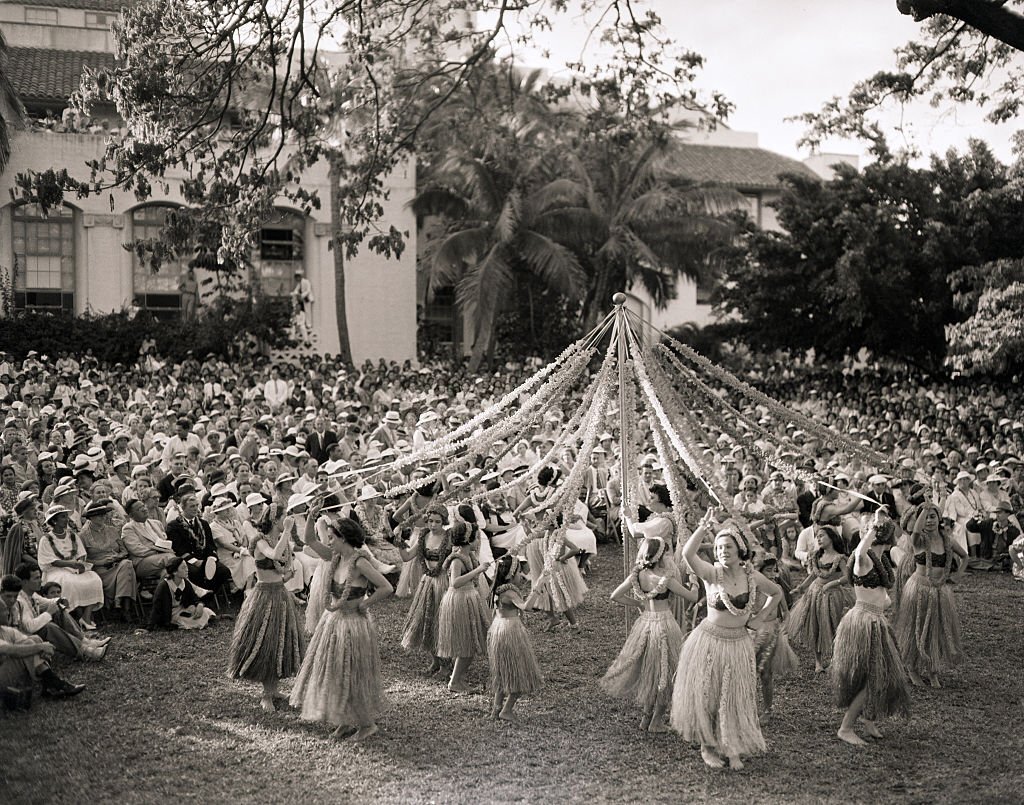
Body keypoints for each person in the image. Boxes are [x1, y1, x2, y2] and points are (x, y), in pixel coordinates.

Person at [670, 512, 780, 770]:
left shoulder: (750, 576)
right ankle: (707, 747)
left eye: (727, 546)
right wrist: (702, 527)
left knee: (732, 697)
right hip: (710, 641)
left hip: (739, 642)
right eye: (718, 547)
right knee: (709, 694)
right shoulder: (712, 574)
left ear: (740, 549)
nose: (722, 551)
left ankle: (730, 747)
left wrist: (760, 617)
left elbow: (775, 593)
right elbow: (688, 555)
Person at [289, 514, 393, 741]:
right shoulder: (335, 556)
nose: (328, 541)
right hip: (333, 621)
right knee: (335, 671)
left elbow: (386, 587)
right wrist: (310, 516)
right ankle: (345, 721)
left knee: (352, 672)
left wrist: (364, 604)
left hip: (352, 624)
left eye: (332, 537)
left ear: (344, 538)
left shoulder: (360, 562)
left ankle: (367, 725)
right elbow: (309, 541)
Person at [601, 536, 697, 733]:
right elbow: (692, 597)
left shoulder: (638, 575)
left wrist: (638, 603)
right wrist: (694, 582)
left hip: (645, 623)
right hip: (664, 625)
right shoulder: (665, 579)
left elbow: (615, 596)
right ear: (661, 556)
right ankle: (656, 721)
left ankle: (646, 719)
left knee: (651, 671)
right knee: (666, 672)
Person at [832, 512, 911, 746]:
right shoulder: (862, 559)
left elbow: (883, 596)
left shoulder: (882, 559)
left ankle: (868, 718)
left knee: (879, 674)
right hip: (863, 621)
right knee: (874, 676)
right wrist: (875, 524)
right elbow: (860, 550)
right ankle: (846, 727)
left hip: (876, 620)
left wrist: (883, 601)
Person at [227, 514, 306, 711]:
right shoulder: (260, 541)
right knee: (265, 642)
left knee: (280, 641)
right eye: (283, 517)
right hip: (264, 596)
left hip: (280, 593)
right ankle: (266, 695)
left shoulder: (278, 540)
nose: (287, 519)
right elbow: (274, 555)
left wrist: (288, 575)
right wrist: (287, 531)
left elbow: (282, 568)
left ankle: (274, 690)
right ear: (274, 520)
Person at [892, 502, 966, 687]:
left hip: (940, 591)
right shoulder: (918, 540)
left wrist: (957, 575)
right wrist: (924, 509)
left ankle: (933, 671)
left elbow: (965, 557)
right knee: (914, 629)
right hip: (918, 589)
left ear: (939, 518)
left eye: (933, 516)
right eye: (925, 518)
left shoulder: (947, 540)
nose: (929, 521)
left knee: (936, 631)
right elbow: (915, 531)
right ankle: (912, 668)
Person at [3, 563, 109, 661]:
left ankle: (85, 641)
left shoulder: (31, 594)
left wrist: (59, 600)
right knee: (49, 627)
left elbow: (46, 602)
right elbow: (28, 627)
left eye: (40, 577)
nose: (40, 581)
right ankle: (86, 652)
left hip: (32, 632)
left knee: (58, 609)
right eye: (36, 578)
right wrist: (48, 613)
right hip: (24, 638)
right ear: (25, 582)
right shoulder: (19, 599)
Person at [436, 521, 492, 693]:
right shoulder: (457, 558)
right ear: (468, 539)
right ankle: (454, 682)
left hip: (469, 596)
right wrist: (479, 570)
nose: (478, 542)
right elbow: (455, 582)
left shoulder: (468, 556)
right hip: (460, 599)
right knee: (467, 642)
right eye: (476, 538)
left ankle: (458, 679)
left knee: (472, 642)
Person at [787, 524, 852, 673]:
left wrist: (833, 583)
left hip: (832, 594)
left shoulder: (839, 558)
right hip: (815, 592)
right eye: (817, 537)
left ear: (832, 537)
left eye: (822, 536)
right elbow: (814, 574)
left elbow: (848, 577)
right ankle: (818, 662)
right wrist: (801, 587)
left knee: (833, 625)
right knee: (815, 625)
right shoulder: (817, 555)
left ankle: (835, 659)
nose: (819, 539)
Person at [486, 554, 543, 722]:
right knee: (519, 672)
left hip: (498, 627)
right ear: (511, 574)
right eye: (519, 572)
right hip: (510, 630)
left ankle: (495, 711)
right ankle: (507, 710)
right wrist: (537, 587)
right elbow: (526, 607)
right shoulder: (509, 591)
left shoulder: (497, 588)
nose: (521, 576)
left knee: (503, 673)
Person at [399, 504, 452, 675]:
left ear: (444, 521)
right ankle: (435, 660)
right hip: (428, 581)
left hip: (444, 581)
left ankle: (445, 664)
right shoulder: (423, 536)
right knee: (426, 621)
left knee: (442, 622)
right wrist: (399, 542)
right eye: (430, 521)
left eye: (438, 521)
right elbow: (407, 556)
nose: (433, 525)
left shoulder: (449, 537)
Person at [36, 504, 104, 630]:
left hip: (75, 567)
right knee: (69, 582)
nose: (67, 519)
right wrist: (70, 564)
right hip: (56, 570)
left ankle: (86, 616)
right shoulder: (46, 539)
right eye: (63, 517)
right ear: (54, 521)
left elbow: (82, 553)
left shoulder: (72, 535)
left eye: (66, 516)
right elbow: (49, 561)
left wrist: (79, 563)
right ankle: (73, 616)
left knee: (94, 579)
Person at [79, 498, 139, 614]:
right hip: (99, 569)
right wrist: (100, 562)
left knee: (127, 564)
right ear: (91, 518)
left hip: (117, 564)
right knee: (127, 569)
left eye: (104, 514)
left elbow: (124, 551)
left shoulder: (113, 530)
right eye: (99, 515)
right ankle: (124, 605)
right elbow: (82, 560)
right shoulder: (83, 535)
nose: (104, 517)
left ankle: (119, 601)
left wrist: (118, 557)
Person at [149, 557, 215, 630]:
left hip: (183, 610)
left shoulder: (185, 583)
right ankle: (200, 623)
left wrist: (200, 604)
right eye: (183, 568)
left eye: (186, 567)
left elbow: (193, 597)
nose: (187, 570)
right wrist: (150, 627)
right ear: (175, 572)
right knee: (190, 621)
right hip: (171, 614)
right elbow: (156, 607)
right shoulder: (164, 586)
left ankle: (203, 620)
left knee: (205, 611)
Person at [121, 498, 177, 583]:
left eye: (143, 506)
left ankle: (166, 594)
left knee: (167, 573)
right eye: (139, 509)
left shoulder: (156, 523)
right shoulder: (128, 528)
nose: (144, 509)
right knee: (171, 559)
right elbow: (138, 550)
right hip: (142, 562)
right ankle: (192, 589)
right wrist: (160, 551)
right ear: (131, 515)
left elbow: (165, 542)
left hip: (161, 561)